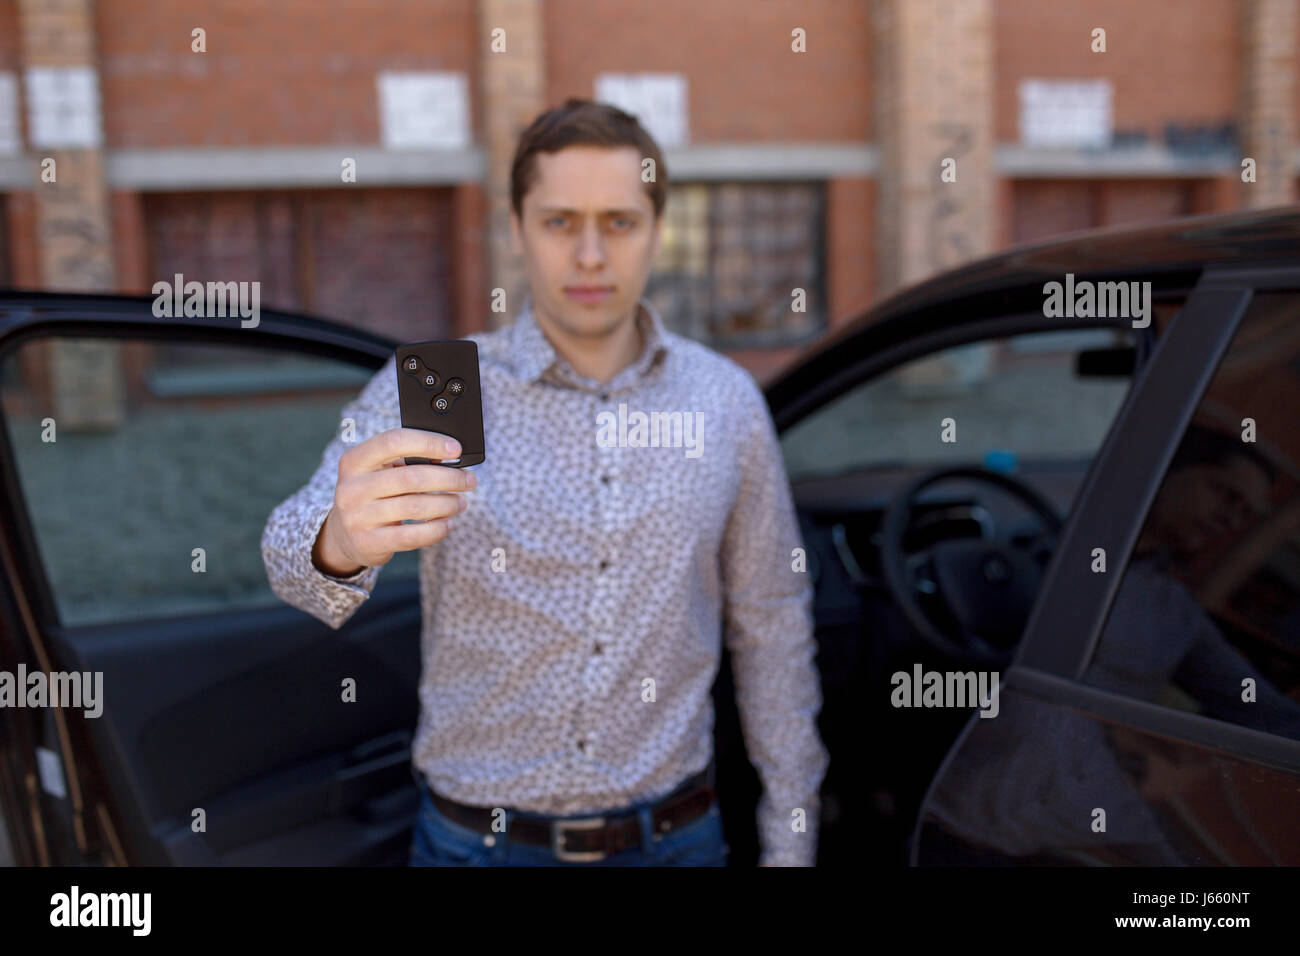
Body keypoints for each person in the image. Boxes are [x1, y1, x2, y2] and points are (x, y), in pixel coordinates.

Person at [261, 98, 829, 866]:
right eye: (561, 222)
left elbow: (772, 624)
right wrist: (336, 540)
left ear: (657, 230)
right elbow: (293, 572)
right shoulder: (438, 387)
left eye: (618, 223)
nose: (590, 255)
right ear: (517, 229)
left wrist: (791, 838)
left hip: (675, 839)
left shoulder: (725, 401)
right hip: (481, 844)